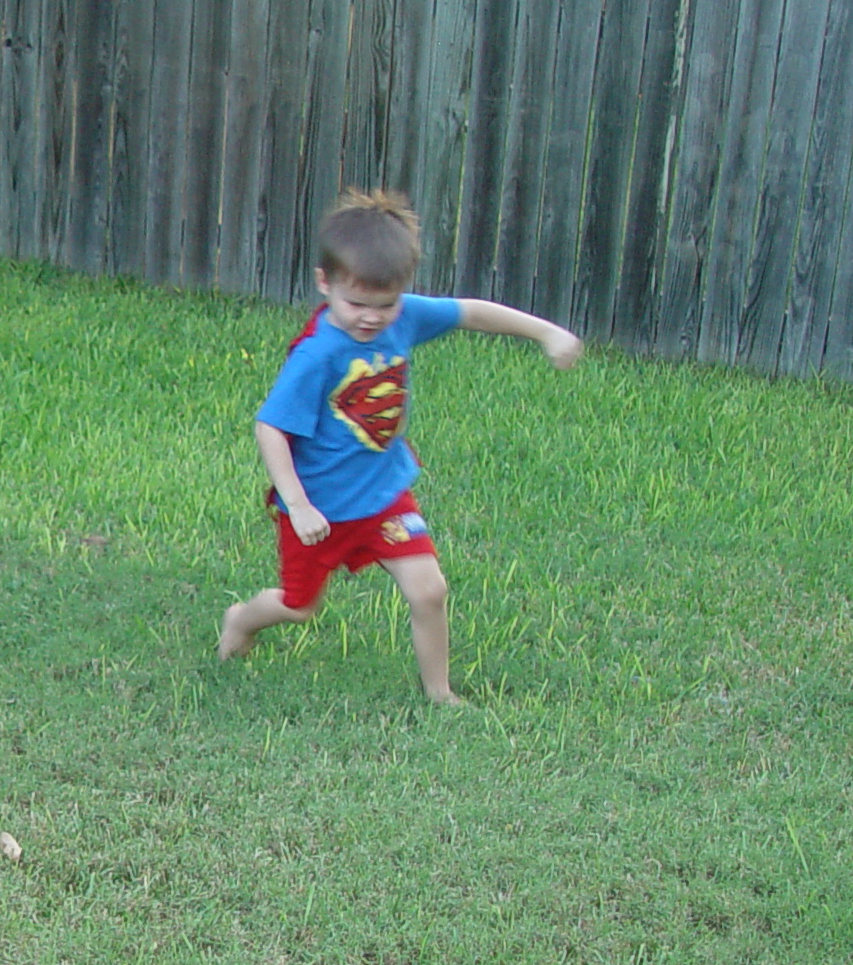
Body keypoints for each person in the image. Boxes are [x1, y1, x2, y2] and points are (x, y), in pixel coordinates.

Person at [217, 189, 581, 705]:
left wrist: (547, 333)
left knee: (429, 589)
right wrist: (297, 505)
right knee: (299, 606)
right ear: (325, 283)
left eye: (384, 305)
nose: (371, 317)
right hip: (319, 508)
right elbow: (270, 428)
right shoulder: (318, 354)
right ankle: (242, 619)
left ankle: (440, 693)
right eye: (356, 304)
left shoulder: (404, 317)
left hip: (385, 496)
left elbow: (471, 312)